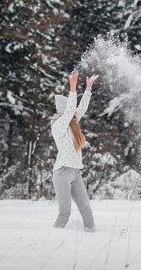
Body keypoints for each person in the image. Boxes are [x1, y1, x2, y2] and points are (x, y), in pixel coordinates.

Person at [50, 71, 96, 232]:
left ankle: (93, 237)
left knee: (87, 211)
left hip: (75, 172)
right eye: (70, 110)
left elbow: (81, 108)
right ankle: (50, 240)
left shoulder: (73, 124)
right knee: (65, 213)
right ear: (64, 112)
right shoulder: (58, 126)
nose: (75, 112)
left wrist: (88, 88)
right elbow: (71, 111)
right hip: (62, 172)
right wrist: (73, 86)